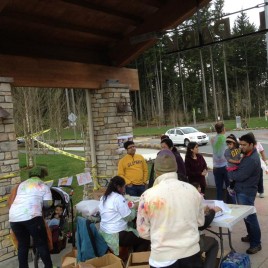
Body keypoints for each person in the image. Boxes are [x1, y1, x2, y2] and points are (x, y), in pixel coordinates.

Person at [137, 149, 204, 268]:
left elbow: (143, 232)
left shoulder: (147, 196)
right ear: (176, 168)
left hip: (162, 257)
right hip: (191, 253)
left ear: (156, 172)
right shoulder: (192, 191)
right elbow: (200, 221)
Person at [9, 166, 53, 268]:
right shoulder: (43, 186)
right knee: (41, 244)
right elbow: (48, 204)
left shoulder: (22, 184)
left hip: (14, 217)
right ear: (41, 175)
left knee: (23, 245)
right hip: (32, 216)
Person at [98, 176, 150, 256]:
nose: (125, 189)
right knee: (145, 238)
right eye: (124, 187)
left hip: (104, 231)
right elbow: (129, 217)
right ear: (119, 187)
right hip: (116, 234)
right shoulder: (118, 198)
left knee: (135, 235)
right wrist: (134, 208)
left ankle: (131, 254)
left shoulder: (104, 197)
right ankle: (134, 258)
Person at [228, 133, 262, 254]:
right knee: (246, 217)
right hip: (243, 189)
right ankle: (251, 236)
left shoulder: (251, 159)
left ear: (252, 145)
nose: (241, 147)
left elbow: (239, 176)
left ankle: (256, 243)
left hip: (246, 191)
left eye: (244, 145)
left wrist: (229, 173)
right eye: (240, 144)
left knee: (250, 217)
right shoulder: (248, 155)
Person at [210, 121, 230, 201]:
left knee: (219, 189)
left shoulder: (212, 139)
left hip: (216, 166)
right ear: (223, 129)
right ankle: (230, 205)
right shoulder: (226, 139)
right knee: (229, 188)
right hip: (225, 166)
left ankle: (219, 206)